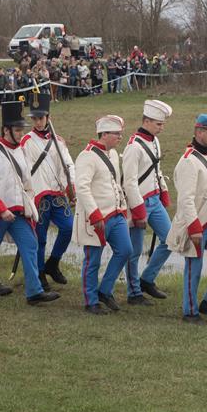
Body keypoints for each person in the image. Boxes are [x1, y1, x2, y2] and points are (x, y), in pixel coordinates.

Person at [0, 100, 59, 306]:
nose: (21, 134)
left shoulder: (20, 151)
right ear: (6, 130)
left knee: (30, 245)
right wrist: (1, 210)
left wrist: (29, 205)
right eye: (18, 130)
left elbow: (26, 183)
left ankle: (34, 292)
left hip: (19, 212)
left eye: (22, 130)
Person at [166, 114, 207, 324]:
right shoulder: (188, 161)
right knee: (193, 268)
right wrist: (194, 227)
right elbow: (185, 199)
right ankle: (190, 311)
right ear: (199, 133)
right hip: (197, 224)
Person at [72, 115, 131, 314]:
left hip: (116, 213)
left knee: (125, 250)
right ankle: (91, 301)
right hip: (96, 217)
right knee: (93, 260)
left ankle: (105, 290)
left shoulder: (113, 154)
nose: (119, 138)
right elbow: (82, 187)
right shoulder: (87, 156)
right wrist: (95, 214)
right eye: (116, 134)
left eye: (120, 134)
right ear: (104, 134)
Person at [20, 91, 76, 290]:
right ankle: (40, 272)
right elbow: (23, 170)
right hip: (38, 195)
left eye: (41, 118)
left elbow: (68, 165)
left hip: (57, 193)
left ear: (48, 118)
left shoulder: (58, 141)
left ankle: (53, 263)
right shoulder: (25, 141)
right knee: (40, 237)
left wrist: (71, 186)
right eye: (34, 118)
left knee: (69, 228)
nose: (37, 122)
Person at [124, 100, 174, 304]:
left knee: (170, 239)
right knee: (134, 251)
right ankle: (133, 292)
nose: (161, 128)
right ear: (146, 120)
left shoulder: (154, 141)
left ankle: (147, 279)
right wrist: (137, 210)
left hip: (154, 199)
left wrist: (164, 191)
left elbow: (156, 169)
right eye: (158, 124)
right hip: (140, 203)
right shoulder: (133, 147)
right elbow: (129, 182)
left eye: (162, 124)